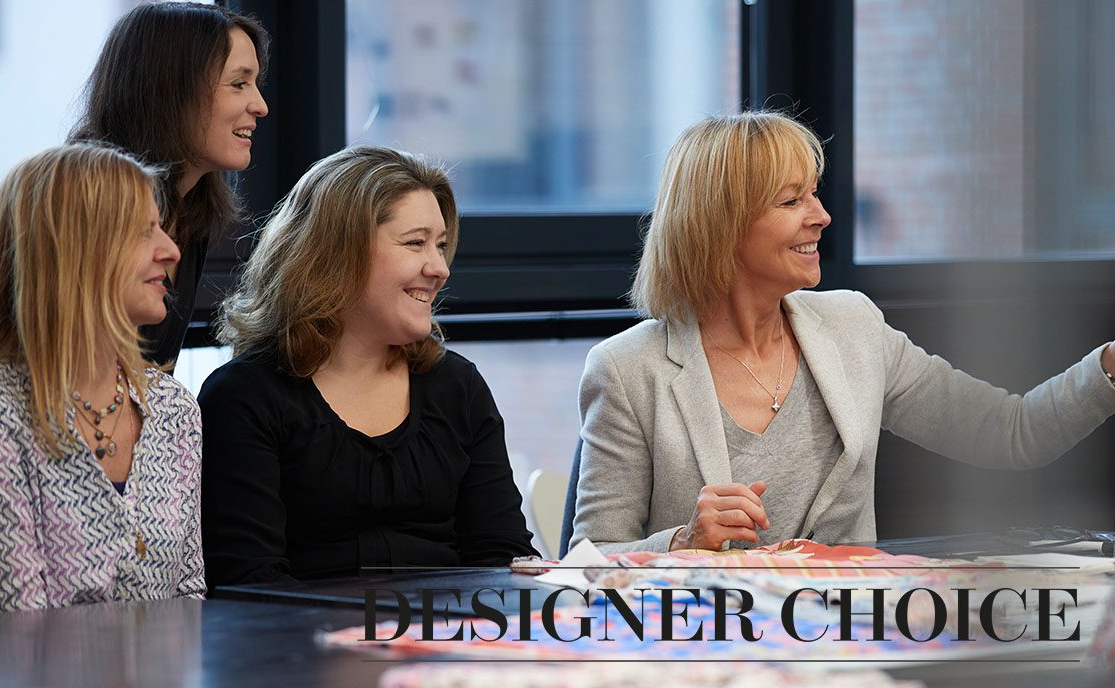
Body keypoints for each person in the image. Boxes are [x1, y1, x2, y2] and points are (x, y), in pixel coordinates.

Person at [570, 111, 1115, 554]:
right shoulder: (626, 369)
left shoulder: (855, 326)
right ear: (720, 224)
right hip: (711, 639)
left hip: (852, 631)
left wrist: (1109, 366)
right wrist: (682, 542)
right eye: (792, 201)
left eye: (814, 193)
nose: (822, 215)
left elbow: (1011, 432)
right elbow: (589, 558)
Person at [198, 146, 537, 586]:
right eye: (415, 243)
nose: (440, 268)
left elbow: (502, 558)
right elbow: (250, 584)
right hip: (302, 631)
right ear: (338, 253)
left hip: (449, 629)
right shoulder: (243, 398)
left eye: (441, 245)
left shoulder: (458, 386)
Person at [0, 144, 204, 615]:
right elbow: (9, 634)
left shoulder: (174, 409)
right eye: (144, 232)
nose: (171, 251)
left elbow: (190, 599)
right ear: (74, 251)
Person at [0, 1, 269, 367]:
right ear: (170, 90)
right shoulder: (74, 200)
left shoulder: (192, 214)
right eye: (239, 84)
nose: (261, 105)